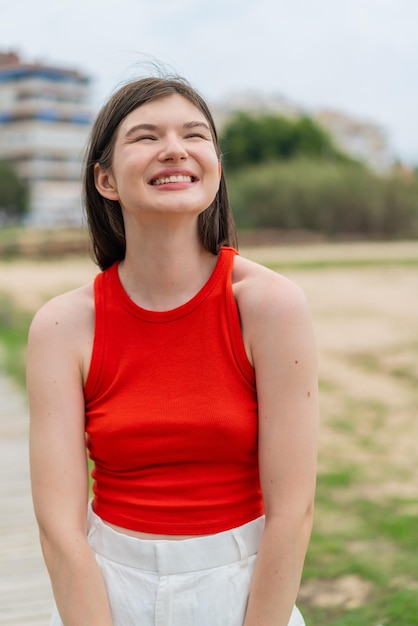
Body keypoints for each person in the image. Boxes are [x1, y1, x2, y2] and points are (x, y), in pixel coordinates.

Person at [27, 74, 319, 626]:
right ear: (106, 180)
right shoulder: (62, 327)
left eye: (194, 134)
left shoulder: (272, 307)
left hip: (243, 591)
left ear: (214, 165)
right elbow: (60, 529)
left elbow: (292, 513)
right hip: (109, 590)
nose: (174, 150)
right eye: (145, 136)